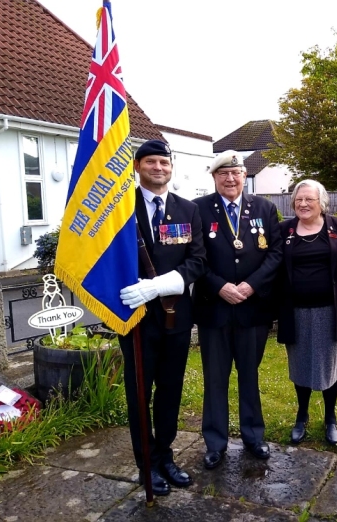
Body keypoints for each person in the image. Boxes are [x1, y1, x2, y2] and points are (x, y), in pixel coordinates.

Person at [118, 139, 207, 496]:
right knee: (139, 392)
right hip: (135, 317)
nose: (159, 168)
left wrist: (157, 286)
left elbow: (197, 260)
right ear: (138, 166)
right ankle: (146, 464)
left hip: (175, 317)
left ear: (171, 168)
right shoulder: (121, 208)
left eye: (164, 162)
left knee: (170, 389)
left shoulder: (188, 210)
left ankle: (166, 454)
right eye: (151, 162)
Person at [192, 150, 283, 469]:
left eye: (236, 173)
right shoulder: (198, 209)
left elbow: (275, 254)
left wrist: (250, 285)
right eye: (223, 174)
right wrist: (219, 286)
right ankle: (215, 442)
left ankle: (253, 436)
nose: (230, 179)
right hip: (213, 309)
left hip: (252, 309)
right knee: (214, 378)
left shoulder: (265, 208)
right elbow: (194, 256)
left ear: (245, 176)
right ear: (214, 178)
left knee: (249, 374)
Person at [275, 179, 337, 446]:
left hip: (329, 312)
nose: (303, 204)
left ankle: (330, 417)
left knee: (329, 367)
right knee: (299, 365)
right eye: (299, 199)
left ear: (322, 203)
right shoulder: (283, 230)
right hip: (294, 311)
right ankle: (302, 414)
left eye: (309, 199)